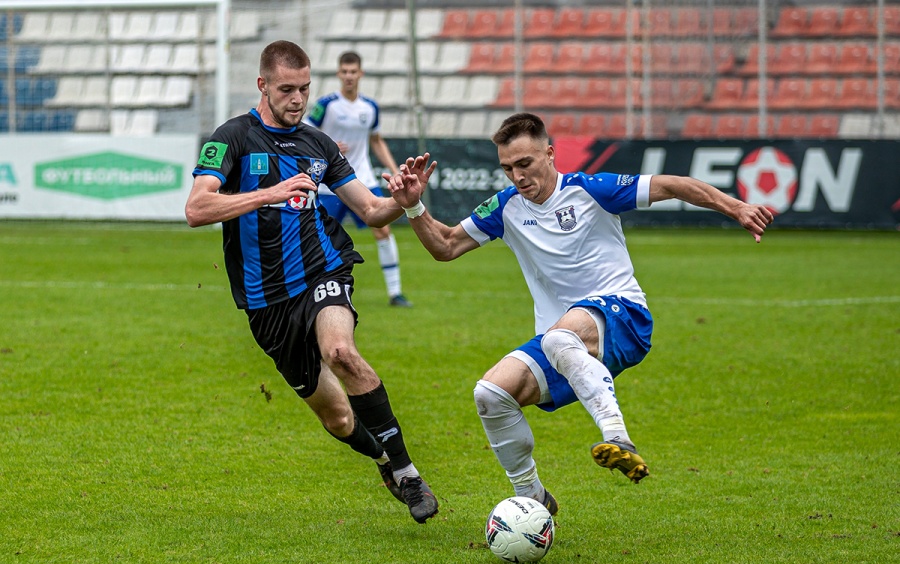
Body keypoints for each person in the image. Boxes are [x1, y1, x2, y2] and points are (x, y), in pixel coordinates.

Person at [385, 112, 773, 515]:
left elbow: (672, 185)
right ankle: (533, 499)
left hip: (623, 315)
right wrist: (413, 207)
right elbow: (446, 246)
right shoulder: (506, 207)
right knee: (491, 394)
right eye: (507, 168)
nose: (517, 176)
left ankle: (617, 437)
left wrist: (736, 208)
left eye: (525, 163)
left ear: (549, 154)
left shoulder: (590, 189)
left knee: (559, 338)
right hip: (563, 343)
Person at [184, 40, 438, 524]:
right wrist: (268, 194)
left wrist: (405, 202)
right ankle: (384, 460)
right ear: (262, 85)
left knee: (341, 352)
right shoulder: (232, 138)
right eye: (286, 89)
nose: (298, 98)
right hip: (265, 301)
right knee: (338, 419)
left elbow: (370, 209)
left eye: (304, 87)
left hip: (322, 269)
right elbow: (197, 208)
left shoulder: (318, 145)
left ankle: (408, 473)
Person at [304, 50, 412, 308]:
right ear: (338, 73)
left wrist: (393, 168)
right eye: (344, 71)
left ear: (360, 73)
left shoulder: (370, 107)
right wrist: (328, 145)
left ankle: (395, 292)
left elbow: (376, 140)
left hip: (362, 178)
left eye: (353, 71)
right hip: (329, 183)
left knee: (383, 229)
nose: (349, 76)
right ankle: (311, 290)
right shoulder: (326, 104)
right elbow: (304, 131)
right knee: (320, 238)